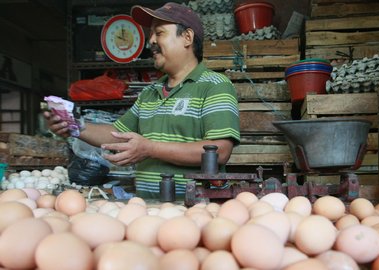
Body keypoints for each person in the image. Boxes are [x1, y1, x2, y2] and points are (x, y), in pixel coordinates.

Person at [45, 2, 240, 199]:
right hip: (148, 209)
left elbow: (220, 151)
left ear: (187, 38)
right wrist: (76, 126)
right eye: (151, 34)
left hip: (194, 211)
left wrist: (151, 148)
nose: (151, 41)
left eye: (160, 33)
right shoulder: (150, 92)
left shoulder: (214, 85)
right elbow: (117, 134)